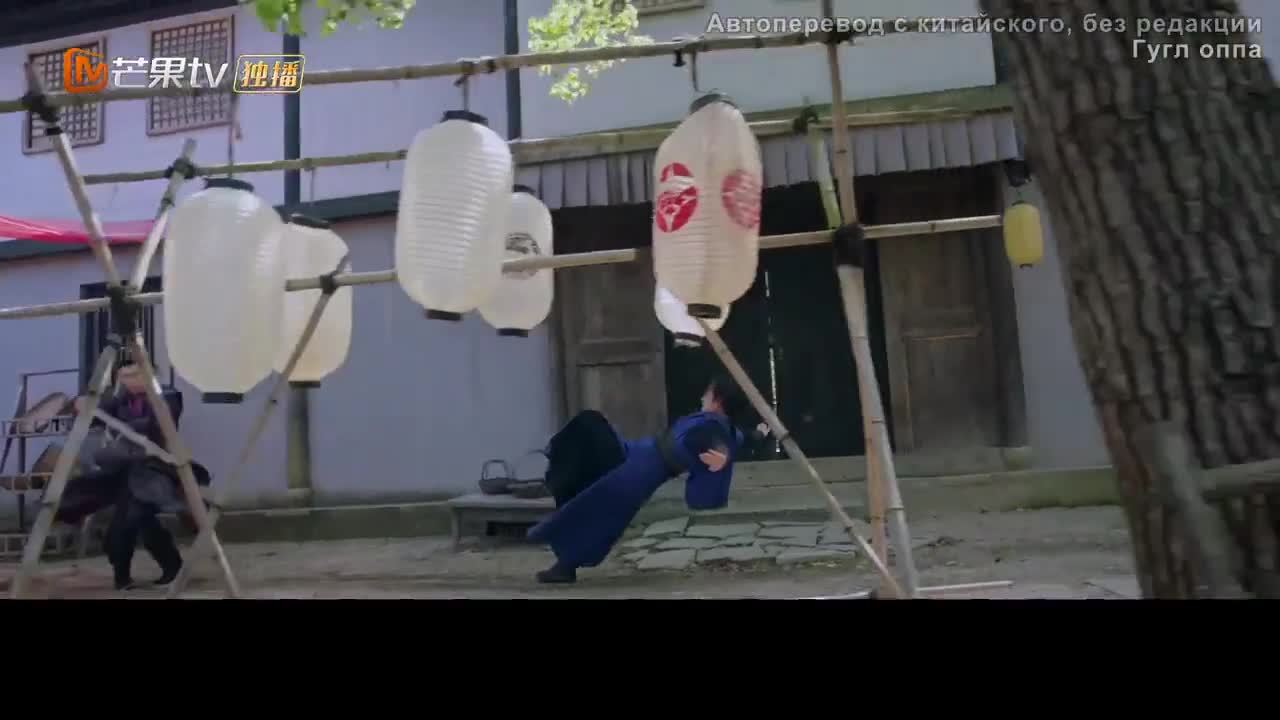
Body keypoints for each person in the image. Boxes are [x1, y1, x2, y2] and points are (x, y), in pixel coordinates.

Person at [527, 374, 766, 584]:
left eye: (708, 393)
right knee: (589, 428)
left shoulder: (713, 429)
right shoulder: (721, 427)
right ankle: (564, 561)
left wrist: (721, 455)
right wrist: (760, 433)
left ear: (718, 400)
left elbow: (710, 442)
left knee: (596, 511)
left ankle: (565, 566)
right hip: (635, 454)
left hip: (639, 473)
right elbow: (743, 437)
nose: (703, 397)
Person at [65, 364, 188, 590]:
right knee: (81, 498)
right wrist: (82, 405)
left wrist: (117, 424)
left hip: (155, 469)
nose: (128, 381)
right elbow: (96, 414)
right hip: (124, 469)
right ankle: (131, 574)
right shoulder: (121, 400)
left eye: (133, 375)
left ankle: (166, 568)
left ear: (151, 374)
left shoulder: (168, 396)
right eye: (123, 377)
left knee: (132, 518)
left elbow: (158, 424)